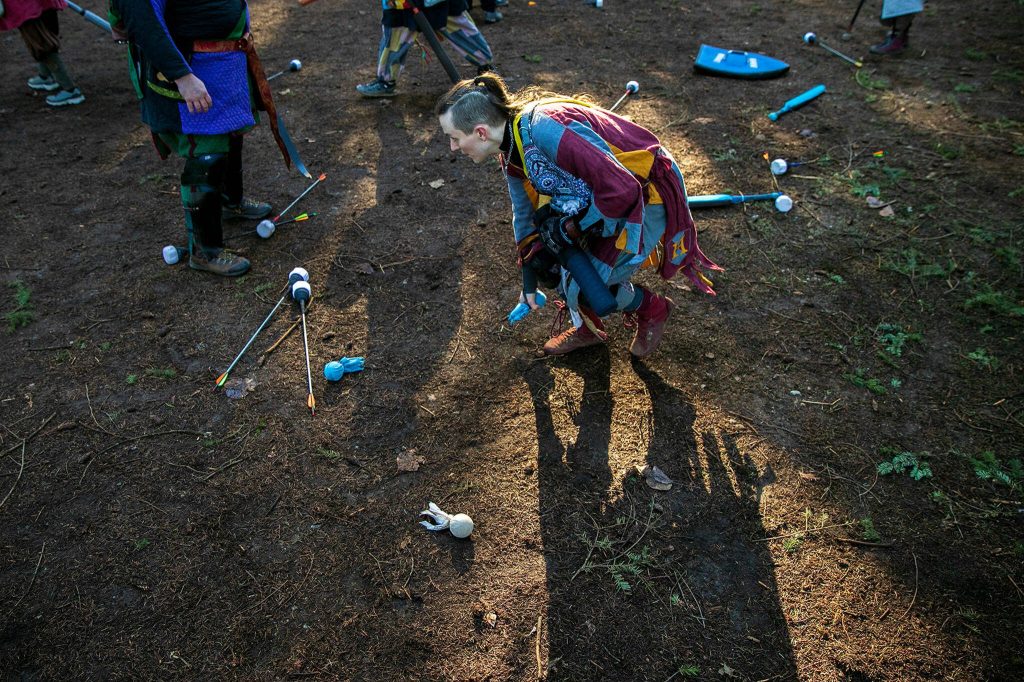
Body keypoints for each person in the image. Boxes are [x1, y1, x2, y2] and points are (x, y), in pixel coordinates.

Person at [436, 74, 721, 358]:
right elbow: (523, 214)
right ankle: (588, 326)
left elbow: (622, 189)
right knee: (550, 261)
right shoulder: (511, 149)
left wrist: (573, 227)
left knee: (584, 284)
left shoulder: (545, 130)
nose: (453, 147)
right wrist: (530, 275)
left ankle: (652, 307)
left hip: (643, 194)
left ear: (481, 132)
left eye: (454, 138)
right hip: (598, 198)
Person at [107, 0, 294, 277]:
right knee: (207, 153)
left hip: (223, 66)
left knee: (230, 136)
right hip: (192, 71)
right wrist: (182, 77)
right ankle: (205, 251)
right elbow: (141, 18)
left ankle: (231, 202)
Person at [357, 0, 493, 98]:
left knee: (464, 31)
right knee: (394, 39)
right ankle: (385, 82)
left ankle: (486, 68)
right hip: (401, 6)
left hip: (440, 3)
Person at [0, 0, 84, 106]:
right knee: (46, 32)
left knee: (41, 42)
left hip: (24, 5)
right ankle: (46, 76)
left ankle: (70, 90)